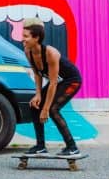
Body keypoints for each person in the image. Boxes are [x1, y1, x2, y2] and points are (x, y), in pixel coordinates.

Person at [21, 18, 81, 156]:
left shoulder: (51, 53)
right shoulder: (28, 51)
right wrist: (37, 95)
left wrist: (46, 109)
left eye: (26, 37)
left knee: (53, 109)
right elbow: (37, 74)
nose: (22, 40)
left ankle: (72, 147)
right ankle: (40, 146)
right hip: (58, 82)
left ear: (36, 38)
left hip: (71, 81)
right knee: (34, 106)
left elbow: (53, 82)